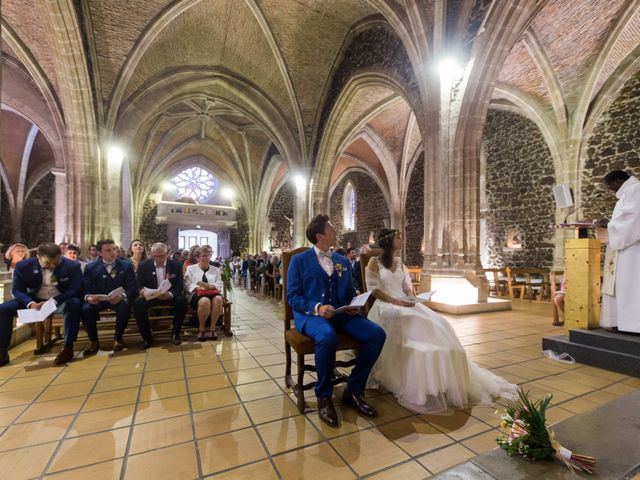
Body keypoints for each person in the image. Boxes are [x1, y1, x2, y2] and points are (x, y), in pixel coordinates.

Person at [365, 229, 516, 413]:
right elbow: (373, 289)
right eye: (398, 237)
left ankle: (439, 359)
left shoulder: (398, 261)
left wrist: (412, 297)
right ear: (388, 241)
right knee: (411, 318)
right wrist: (395, 301)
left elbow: (405, 287)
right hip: (385, 305)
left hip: (403, 302)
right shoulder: (375, 262)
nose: (401, 239)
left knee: (437, 320)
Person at [286, 215, 386, 428]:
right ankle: (324, 395)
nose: (335, 232)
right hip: (311, 316)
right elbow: (292, 296)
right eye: (331, 230)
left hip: (341, 313)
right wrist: (317, 308)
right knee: (327, 335)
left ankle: (354, 389)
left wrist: (353, 302)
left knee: (376, 334)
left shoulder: (342, 261)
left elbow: (349, 291)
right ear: (319, 235)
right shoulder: (299, 260)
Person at [0, 242, 82, 366]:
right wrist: (31, 303)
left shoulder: (72, 266)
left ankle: (67, 348)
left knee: (74, 304)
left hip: (59, 300)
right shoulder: (23, 266)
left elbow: (74, 289)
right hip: (35, 300)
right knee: (3, 309)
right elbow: (16, 290)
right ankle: (2, 352)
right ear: (39, 257)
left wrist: (54, 301)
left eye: (57, 262)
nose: (54, 265)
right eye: (50, 263)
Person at [599, 170, 640, 333]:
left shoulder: (635, 189)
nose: (610, 190)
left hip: (633, 250)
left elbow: (634, 218)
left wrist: (609, 226)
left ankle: (633, 324)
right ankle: (622, 322)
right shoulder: (628, 193)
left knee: (632, 286)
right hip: (624, 249)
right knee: (623, 286)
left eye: (609, 187)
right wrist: (611, 225)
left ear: (617, 182)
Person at [82, 239, 136, 353]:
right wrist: (88, 297)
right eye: (108, 250)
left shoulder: (126, 265)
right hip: (98, 299)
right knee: (86, 309)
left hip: (118, 299)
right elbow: (85, 288)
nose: (112, 252)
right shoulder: (90, 267)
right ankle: (94, 341)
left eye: (114, 249)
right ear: (100, 253)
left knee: (125, 307)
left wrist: (122, 295)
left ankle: (118, 338)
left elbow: (131, 286)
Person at [133, 242, 187, 348]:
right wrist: (142, 291)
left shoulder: (176, 265)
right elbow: (139, 285)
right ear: (151, 254)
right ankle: (146, 338)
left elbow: (179, 286)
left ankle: (175, 334)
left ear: (167, 253)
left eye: (162, 256)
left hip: (168, 295)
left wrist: (170, 294)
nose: (159, 259)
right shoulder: (144, 265)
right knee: (138, 304)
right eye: (155, 256)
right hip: (151, 296)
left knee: (182, 301)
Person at [184, 245, 223, 341]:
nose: (207, 258)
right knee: (204, 301)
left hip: (212, 293)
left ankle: (212, 328)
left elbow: (219, 283)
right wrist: (198, 288)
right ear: (197, 257)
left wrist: (209, 286)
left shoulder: (216, 269)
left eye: (209, 255)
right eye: (204, 256)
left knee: (218, 299)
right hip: (196, 294)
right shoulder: (190, 268)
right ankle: (201, 328)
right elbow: (187, 284)